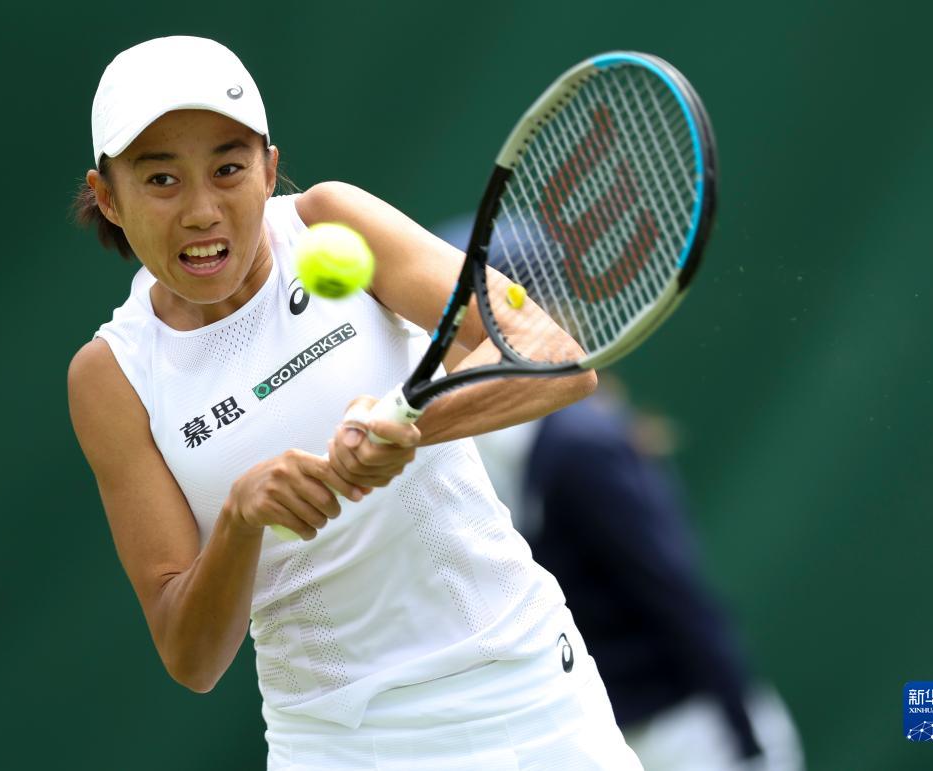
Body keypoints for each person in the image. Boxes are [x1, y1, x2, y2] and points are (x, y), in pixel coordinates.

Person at [68, 36, 640, 770]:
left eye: (228, 168)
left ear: (268, 169)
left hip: (525, 694)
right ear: (109, 197)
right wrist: (241, 518)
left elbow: (554, 358)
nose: (202, 210)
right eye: (161, 179)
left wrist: (408, 424)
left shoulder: (329, 220)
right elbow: (191, 657)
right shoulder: (111, 377)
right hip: (337, 744)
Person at [437, 214, 805, 770]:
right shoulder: (502, 445)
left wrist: (744, 739)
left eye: (462, 314)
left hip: (690, 735)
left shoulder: (580, 444)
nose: (441, 334)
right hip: (608, 735)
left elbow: (672, 592)